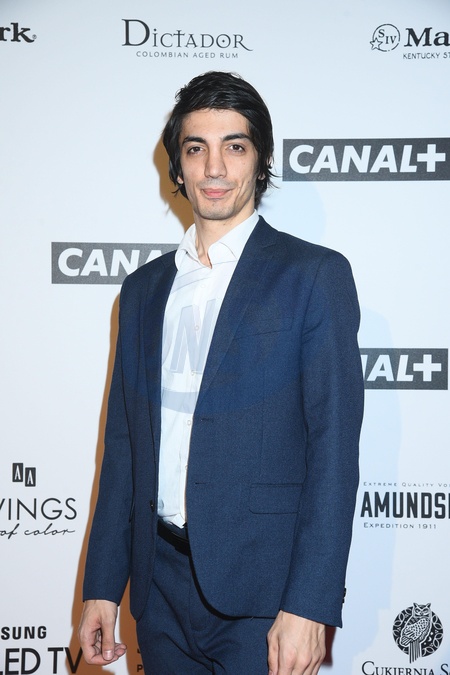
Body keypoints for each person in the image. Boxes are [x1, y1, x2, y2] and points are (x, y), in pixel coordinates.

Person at [78, 71, 364, 675]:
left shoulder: (314, 276)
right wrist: (102, 585)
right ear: (178, 167)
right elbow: (125, 448)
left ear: (260, 161)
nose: (214, 167)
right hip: (157, 590)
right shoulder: (142, 290)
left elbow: (334, 450)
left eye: (234, 146)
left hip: (266, 597)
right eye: (196, 148)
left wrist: (309, 604)